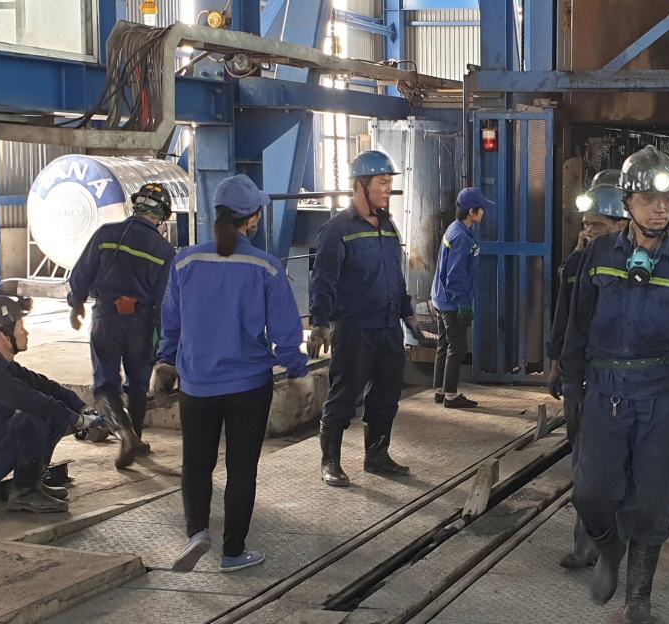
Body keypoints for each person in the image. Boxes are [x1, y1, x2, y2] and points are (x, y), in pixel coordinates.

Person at [561, 145, 669, 623]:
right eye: (649, 199)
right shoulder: (598, 256)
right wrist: (572, 387)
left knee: (654, 500)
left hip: (661, 393)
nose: (661, 208)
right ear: (628, 203)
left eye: (668, 199)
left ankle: (638, 598)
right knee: (591, 492)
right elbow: (577, 325)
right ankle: (607, 547)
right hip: (606, 390)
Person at [153, 174, 309, 574]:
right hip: (248, 387)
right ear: (252, 219)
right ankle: (233, 552)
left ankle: (196, 533)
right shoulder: (265, 267)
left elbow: (171, 322)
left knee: (196, 463)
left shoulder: (185, 261)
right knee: (241, 469)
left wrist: (165, 362)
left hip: (196, 385)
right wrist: (297, 369)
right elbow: (285, 332)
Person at [307, 151, 425, 488]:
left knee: (387, 395)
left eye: (389, 182)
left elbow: (396, 277)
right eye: (382, 183)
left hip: (388, 327)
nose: (388, 189)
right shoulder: (337, 230)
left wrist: (407, 313)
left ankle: (377, 456)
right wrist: (320, 323)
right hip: (355, 328)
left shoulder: (388, 227)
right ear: (361, 185)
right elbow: (323, 281)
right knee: (345, 396)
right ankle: (330, 461)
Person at [0, 296, 106, 513]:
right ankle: (25, 493)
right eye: (21, 327)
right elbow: (35, 401)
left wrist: (82, 408)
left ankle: (31, 483)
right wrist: (79, 421)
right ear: (4, 336)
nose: (26, 333)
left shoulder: (0, 365)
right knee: (36, 415)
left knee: (53, 413)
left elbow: (46, 387)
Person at [546, 181, 630, 571]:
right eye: (585, 224)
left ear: (620, 225)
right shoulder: (577, 264)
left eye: (597, 225)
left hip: (621, 380)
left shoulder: (637, 266)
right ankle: (585, 545)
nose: (588, 232)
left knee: (622, 465)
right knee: (583, 464)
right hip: (582, 377)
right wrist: (556, 361)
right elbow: (564, 314)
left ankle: (616, 539)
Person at [68, 182, 176, 468]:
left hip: (105, 319)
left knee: (105, 385)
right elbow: (165, 303)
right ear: (162, 216)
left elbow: (80, 274)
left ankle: (124, 433)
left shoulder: (106, 234)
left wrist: (76, 304)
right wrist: (163, 346)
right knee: (137, 385)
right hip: (140, 325)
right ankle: (134, 437)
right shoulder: (164, 251)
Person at [430, 187, 494, 408]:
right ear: (472, 211)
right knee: (457, 348)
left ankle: (440, 390)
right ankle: (450, 395)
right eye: (481, 209)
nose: (484, 212)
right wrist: (463, 306)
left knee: (444, 344)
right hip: (451, 301)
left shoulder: (456, 228)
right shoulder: (461, 237)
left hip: (440, 296)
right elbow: (455, 276)